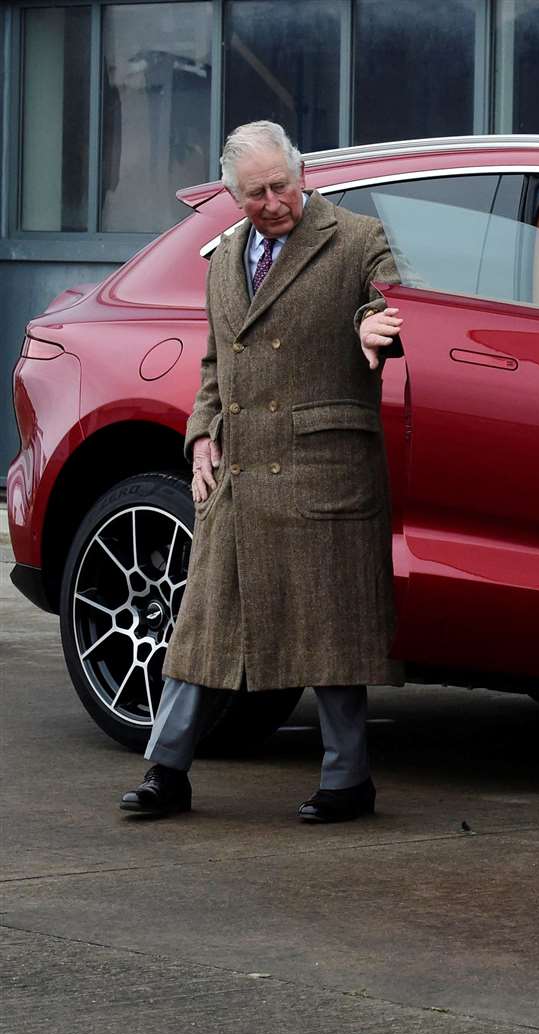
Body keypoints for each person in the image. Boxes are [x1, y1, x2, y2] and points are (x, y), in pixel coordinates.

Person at [119, 120, 404, 823]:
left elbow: (390, 299)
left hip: (321, 470)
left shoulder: (357, 237)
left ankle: (348, 781)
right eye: (256, 193)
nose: (273, 201)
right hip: (240, 474)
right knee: (202, 634)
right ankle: (168, 772)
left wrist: (377, 325)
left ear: (301, 176)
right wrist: (200, 438)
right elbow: (217, 366)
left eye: (281, 185)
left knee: (331, 635)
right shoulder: (223, 259)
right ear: (232, 195)